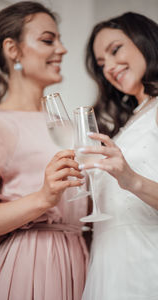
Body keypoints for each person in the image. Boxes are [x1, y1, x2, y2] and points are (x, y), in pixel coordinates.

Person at [0, 2, 89, 299]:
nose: (62, 49)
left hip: (78, 259)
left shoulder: (66, 124)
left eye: (59, 39)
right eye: (48, 40)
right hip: (30, 264)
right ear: (13, 49)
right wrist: (43, 198)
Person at [79, 12, 158, 300]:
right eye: (101, 64)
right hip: (107, 266)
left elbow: (131, 183)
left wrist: (132, 180)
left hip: (145, 264)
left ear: (144, 40)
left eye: (115, 50)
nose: (110, 67)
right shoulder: (127, 123)